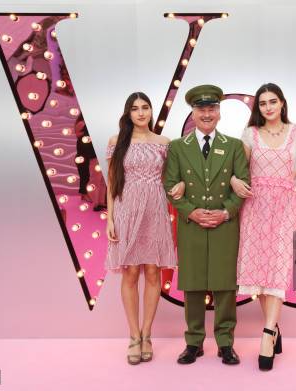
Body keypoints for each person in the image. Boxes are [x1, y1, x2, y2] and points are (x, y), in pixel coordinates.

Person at [231, 83, 296, 370]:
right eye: (263, 103)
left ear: (282, 103)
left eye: (273, 102)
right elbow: (239, 168)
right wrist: (236, 181)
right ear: (258, 108)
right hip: (255, 206)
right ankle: (273, 328)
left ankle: (266, 333)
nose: (268, 107)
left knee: (277, 267)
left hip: (284, 206)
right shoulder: (250, 134)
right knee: (259, 270)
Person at [163, 84, 250, 366]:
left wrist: (226, 213)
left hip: (225, 225)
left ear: (219, 112)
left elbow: (243, 187)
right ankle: (193, 343)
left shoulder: (234, 146)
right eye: (201, 109)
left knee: (225, 286)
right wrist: (192, 212)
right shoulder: (178, 147)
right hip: (192, 226)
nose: (207, 113)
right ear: (193, 112)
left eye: (212, 108)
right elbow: (169, 186)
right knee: (194, 286)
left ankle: (226, 343)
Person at [105, 92, 183, 365]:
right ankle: (133, 336)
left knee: (152, 271)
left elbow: (171, 178)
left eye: (145, 107)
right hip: (126, 209)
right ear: (128, 113)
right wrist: (110, 219)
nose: (141, 112)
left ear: (151, 111)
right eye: (135, 108)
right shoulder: (117, 142)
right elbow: (112, 182)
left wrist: (180, 187)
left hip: (155, 210)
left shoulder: (164, 143)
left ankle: (147, 334)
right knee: (130, 272)